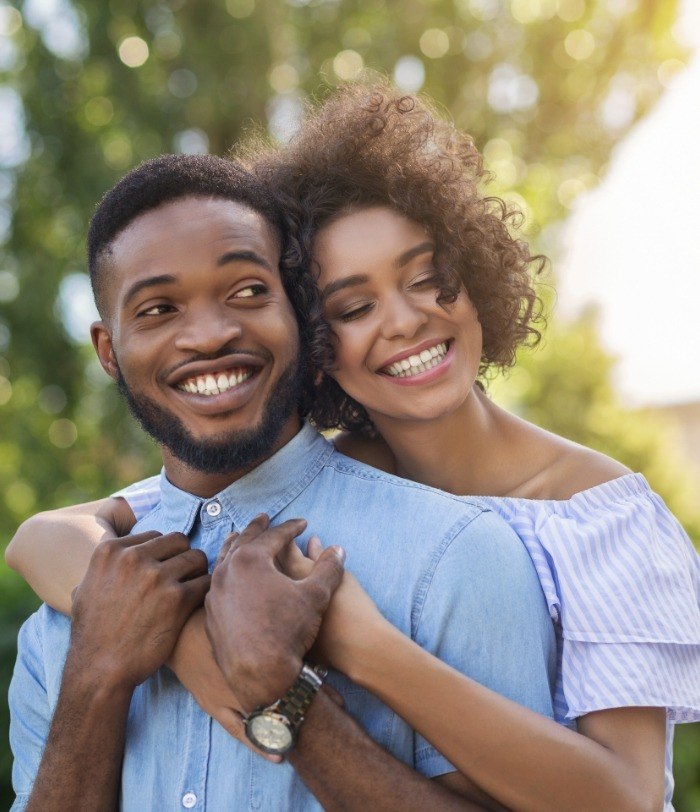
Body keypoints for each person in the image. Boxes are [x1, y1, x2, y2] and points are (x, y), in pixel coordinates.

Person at [8, 85, 700, 810]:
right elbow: (56, 534)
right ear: (315, 336)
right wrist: (169, 634)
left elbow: (625, 800)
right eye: (354, 307)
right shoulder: (315, 489)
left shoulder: (583, 520)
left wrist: (348, 650)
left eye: (428, 278)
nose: (404, 322)